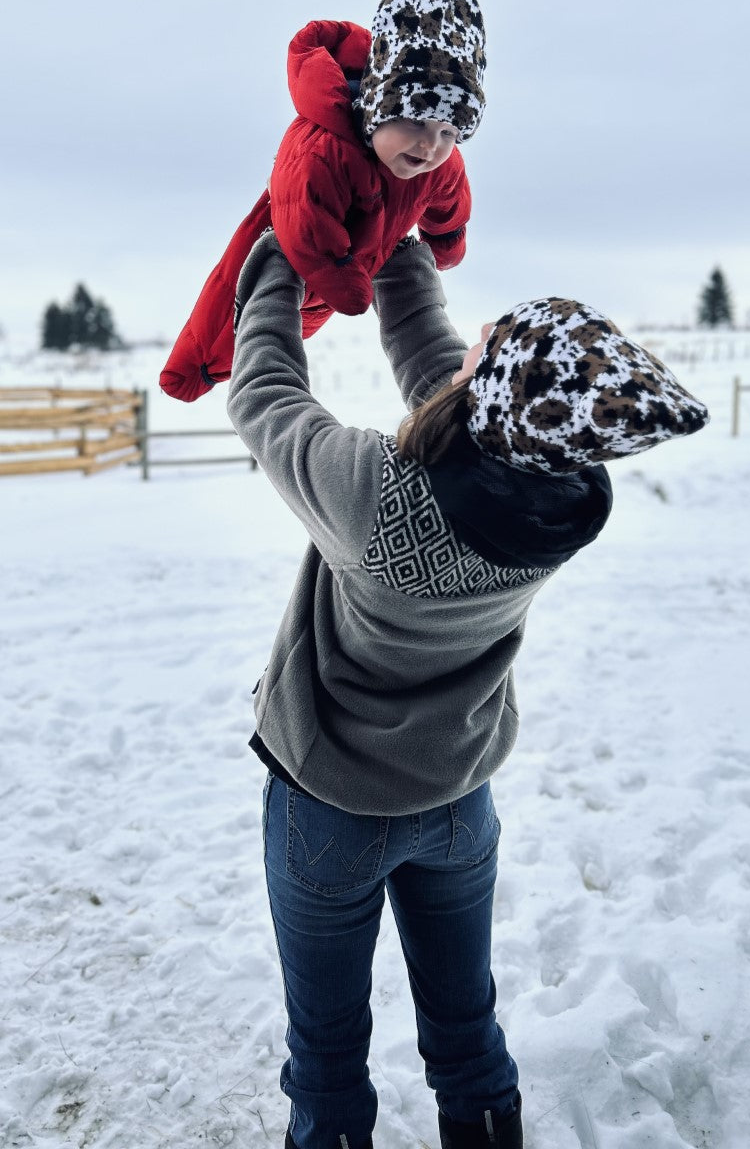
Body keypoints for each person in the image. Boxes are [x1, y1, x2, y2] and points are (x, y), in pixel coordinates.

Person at [226, 231, 709, 1149]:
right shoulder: (559, 502)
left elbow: (264, 395)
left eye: (491, 342)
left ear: (493, 391)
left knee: (326, 1055)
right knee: (468, 1035)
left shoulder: (376, 497)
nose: (474, 334)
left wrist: (282, 251)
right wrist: (390, 230)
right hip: (457, 804)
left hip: (329, 808)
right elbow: (437, 366)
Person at [159, 0, 486, 402]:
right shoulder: (324, 152)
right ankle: (194, 371)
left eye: (449, 132)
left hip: (360, 257)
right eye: (415, 121)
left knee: (306, 318)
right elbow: (304, 222)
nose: (431, 145)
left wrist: (446, 244)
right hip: (300, 250)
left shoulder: (438, 164)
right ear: (375, 111)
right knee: (232, 327)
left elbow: (450, 203)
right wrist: (347, 286)